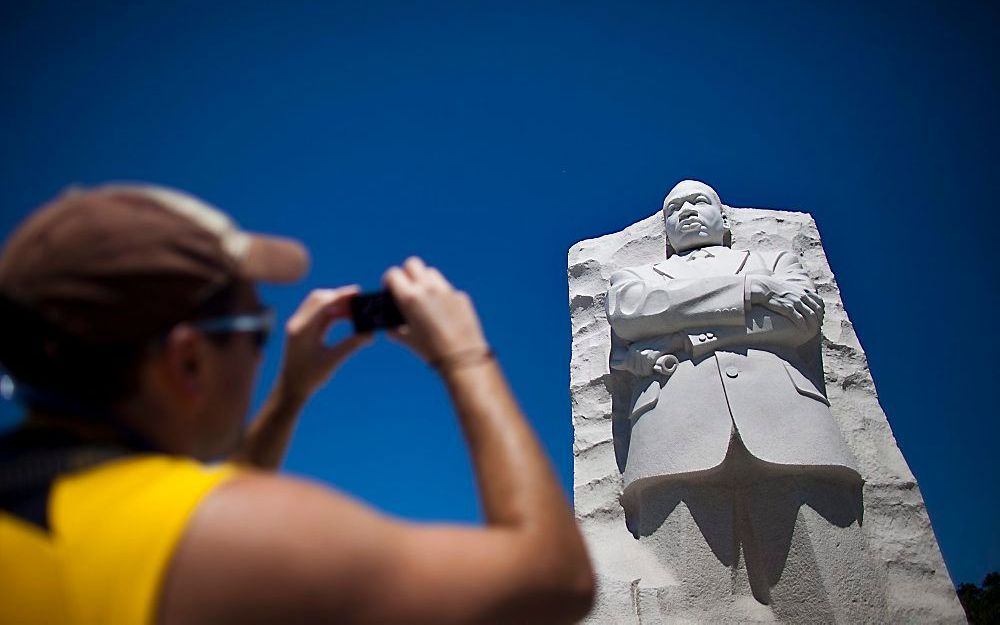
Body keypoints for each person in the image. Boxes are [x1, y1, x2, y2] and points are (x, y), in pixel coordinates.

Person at [0, 184, 595, 625]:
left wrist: (291, 393)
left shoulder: (73, 518)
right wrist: (464, 354)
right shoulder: (225, 541)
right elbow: (554, 582)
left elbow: (187, 512)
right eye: (256, 329)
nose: (262, 355)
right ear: (186, 362)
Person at [605, 179, 860, 519]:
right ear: (665, 233)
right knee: (680, 563)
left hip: (789, 416)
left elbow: (800, 323)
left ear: (724, 220)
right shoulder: (635, 277)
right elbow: (632, 313)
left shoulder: (776, 260)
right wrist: (752, 289)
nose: (686, 211)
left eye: (698, 202)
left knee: (831, 550)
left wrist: (682, 340)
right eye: (673, 209)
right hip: (672, 427)